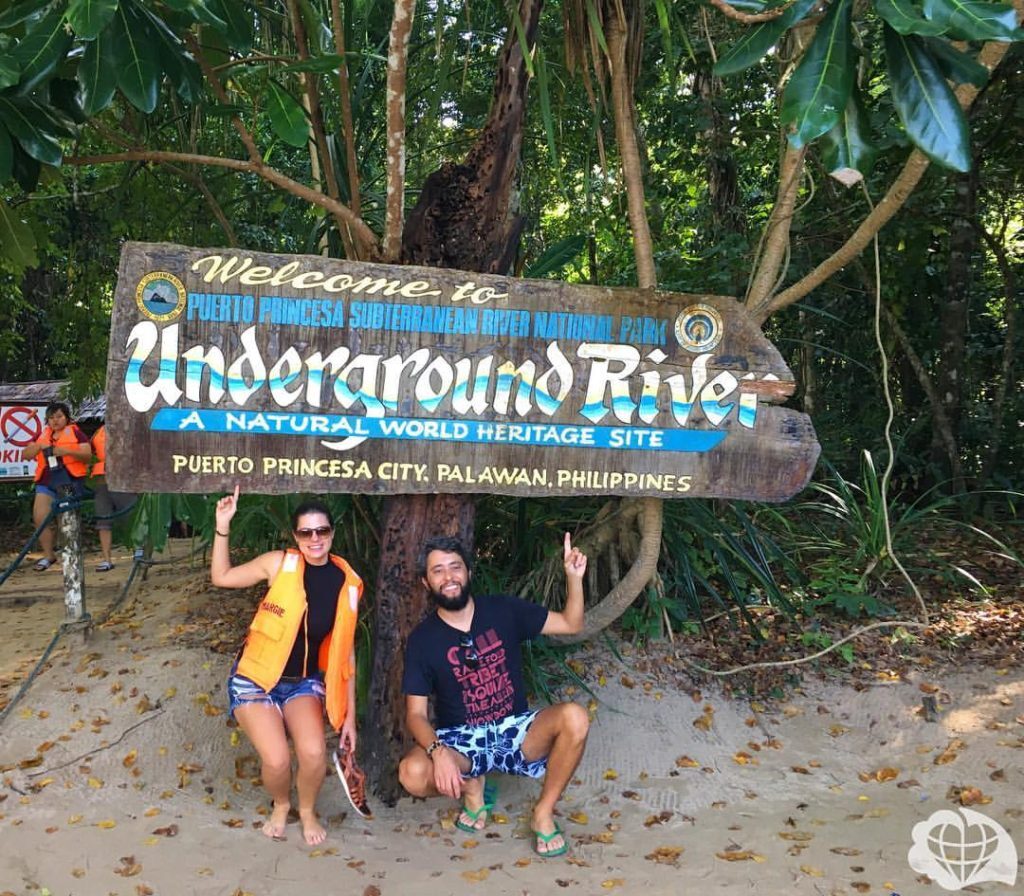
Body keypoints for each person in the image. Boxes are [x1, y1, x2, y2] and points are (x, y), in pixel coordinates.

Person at [399, 533, 589, 858]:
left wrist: (574, 579)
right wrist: (438, 752)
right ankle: (473, 786)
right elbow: (415, 715)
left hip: (514, 729)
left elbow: (571, 624)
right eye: (438, 571)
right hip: (462, 740)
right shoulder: (422, 639)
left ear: (468, 573)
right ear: (425, 582)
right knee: (412, 773)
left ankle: (543, 812)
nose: (449, 577)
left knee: (576, 717)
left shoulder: (502, 609)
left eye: (455, 567)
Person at [211, 485, 363, 846]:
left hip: (302, 682)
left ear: (332, 534)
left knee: (313, 753)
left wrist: (350, 718)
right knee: (277, 760)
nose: (315, 539)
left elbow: (346, 654)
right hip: (255, 678)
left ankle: (307, 810)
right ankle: (281, 804)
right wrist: (222, 526)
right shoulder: (279, 563)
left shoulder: (347, 581)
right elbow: (222, 577)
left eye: (322, 531)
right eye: (306, 532)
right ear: (296, 536)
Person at [20, 402, 92, 571]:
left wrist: (65, 451)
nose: (55, 421)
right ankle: (48, 555)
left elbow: (87, 455)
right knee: (40, 516)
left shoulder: (76, 433)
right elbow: (26, 454)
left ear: (66, 417)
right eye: (51, 418)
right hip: (46, 481)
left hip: (68, 480)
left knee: (66, 518)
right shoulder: (42, 435)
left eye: (59, 416)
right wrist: (37, 446)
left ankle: (69, 554)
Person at [88, 424, 137, 572]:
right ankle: (106, 558)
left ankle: (139, 551)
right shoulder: (98, 431)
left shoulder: (129, 428)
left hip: (122, 479)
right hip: (102, 479)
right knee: (103, 520)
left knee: (131, 517)